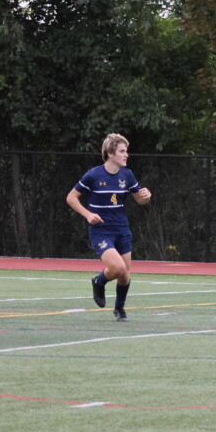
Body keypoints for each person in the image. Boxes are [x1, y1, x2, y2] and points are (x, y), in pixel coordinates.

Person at [65, 133, 152, 322]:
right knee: (118, 267)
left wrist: (146, 196)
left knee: (124, 276)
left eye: (126, 151)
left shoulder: (127, 175)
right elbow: (71, 198)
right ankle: (99, 281)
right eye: (122, 151)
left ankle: (119, 309)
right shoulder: (93, 175)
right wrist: (87, 214)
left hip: (122, 228)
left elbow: (140, 200)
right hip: (101, 230)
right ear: (110, 153)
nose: (126, 155)